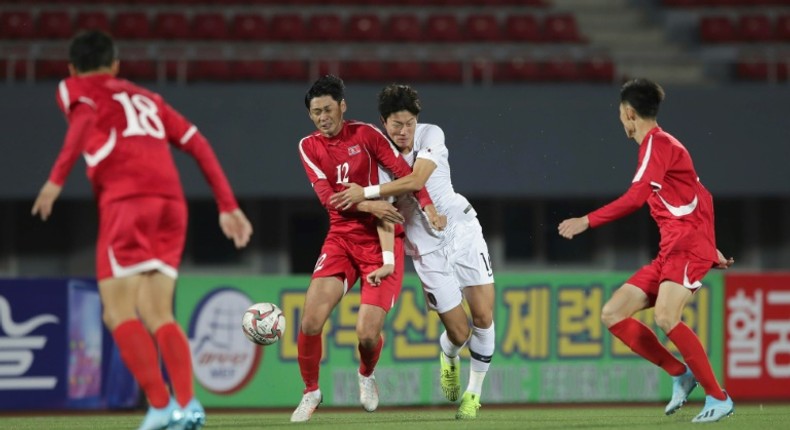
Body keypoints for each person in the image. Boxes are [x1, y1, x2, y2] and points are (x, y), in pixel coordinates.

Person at [31, 31, 253, 430]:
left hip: (127, 201)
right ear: (116, 65)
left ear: (70, 68)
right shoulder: (147, 98)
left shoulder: (73, 87)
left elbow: (83, 118)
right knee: (158, 312)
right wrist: (227, 205)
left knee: (117, 312)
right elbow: (197, 142)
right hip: (171, 204)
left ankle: (160, 405)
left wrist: (55, 179)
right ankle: (189, 405)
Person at [557, 78, 735, 423]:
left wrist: (587, 221)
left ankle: (719, 396)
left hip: (686, 248)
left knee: (667, 317)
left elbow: (637, 198)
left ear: (628, 113)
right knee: (613, 314)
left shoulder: (658, 144)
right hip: (674, 249)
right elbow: (701, 196)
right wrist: (712, 248)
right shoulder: (660, 147)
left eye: (620, 115)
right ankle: (680, 373)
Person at [330, 84, 495, 420]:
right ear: (383, 122)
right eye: (396, 125)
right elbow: (385, 216)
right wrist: (389, 258)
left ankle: (473, 395)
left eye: (409, 124)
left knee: (483, 317)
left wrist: (367, 192)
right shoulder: (374, 156)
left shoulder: (431, 133)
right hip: (425, 251)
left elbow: (417, 180)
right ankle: (448, 353)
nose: (405, 132)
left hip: (460, 231)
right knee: (459, 333)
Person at [293, 75, 443, 423]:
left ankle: (365, 374)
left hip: (383, 238)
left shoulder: (366, 135)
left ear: (342, 106)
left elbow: (405, 172)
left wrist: (429, 207)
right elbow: (327, 198)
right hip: (342, 238)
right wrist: (368, 205)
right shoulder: (308, 146)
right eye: (315, 113)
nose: (322, 118)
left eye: (328, 110)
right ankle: (311, 391)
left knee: (366, 334)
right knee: (312, 320)